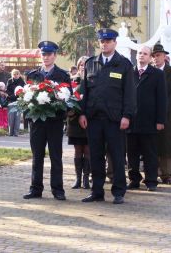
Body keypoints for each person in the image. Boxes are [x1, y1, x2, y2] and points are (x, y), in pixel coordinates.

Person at [79, 28, 135, 204]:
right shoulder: (91, 64)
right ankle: (97, 191)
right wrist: (81, 113)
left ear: (115, 43)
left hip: (115, 120)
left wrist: (127, 116)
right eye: (102, 42)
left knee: (117, 156)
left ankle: (118, 191)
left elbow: (130, 94)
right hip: (94, 119)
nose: (105, 44)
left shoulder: (124, 64)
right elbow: (84, 91)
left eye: (108, 41)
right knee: (95, 156)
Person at [23, 41, 71, 201]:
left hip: (55, 122)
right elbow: (25, 98)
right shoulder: (33, 75)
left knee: (56, 156)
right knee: (37, 156)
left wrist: (57, 105)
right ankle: (35, 188)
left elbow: (67, 99)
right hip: (37, 122)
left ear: (55, 55)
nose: (46, 57)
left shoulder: (63, 75)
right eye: (43, 54)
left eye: (49, 54)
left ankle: (58, 189)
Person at [126, 46, 167, 192]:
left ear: (150, 58)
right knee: (132, 153)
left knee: (150, 153)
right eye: (139, 53)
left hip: (149, 120)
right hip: (131, 120)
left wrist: (160, 120)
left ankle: (151, 180)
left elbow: (162, 99)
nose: (141, 56)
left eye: (145, 54)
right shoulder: (129, 72)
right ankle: (134, 179)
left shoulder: (156, 74)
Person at [152, 44, 171, 185]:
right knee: (152, 144)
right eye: (154, 55)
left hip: (167, 114)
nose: (156, 58)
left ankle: (167, 174)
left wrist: (161, 109)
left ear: (165, 56)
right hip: (150, 115)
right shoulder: (148, 71)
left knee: (167, 144)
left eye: (158, 55)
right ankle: (153, 173)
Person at [67, 56, 90, 189]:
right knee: (77, 150)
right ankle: (78, 179)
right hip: (74, 120)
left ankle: (86, 178)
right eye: (80, 64)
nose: (83, 66)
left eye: (85, 64)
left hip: (89, 120)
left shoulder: (93, 80)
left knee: (87, 150)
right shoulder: (72, 81)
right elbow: (66, 97)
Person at [6, 69, 25, 136]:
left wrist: (19, 95)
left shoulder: (22, 81)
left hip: (18, 101)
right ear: (12, 75)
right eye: (14, 74)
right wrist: (12, 96)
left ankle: (16, 133)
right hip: (11, 100)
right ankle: (10, 132)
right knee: (11, 117)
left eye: (17, 74)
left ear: (19, 75)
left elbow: (24, 90)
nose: (16, 75)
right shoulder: (9, 81)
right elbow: (7, 90)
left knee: (17, 117)